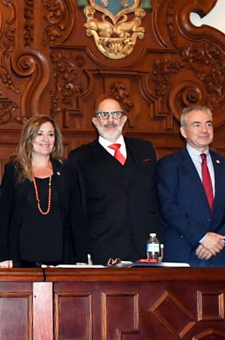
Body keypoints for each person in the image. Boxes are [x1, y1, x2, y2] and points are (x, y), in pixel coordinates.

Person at [68, 98, 162, 265]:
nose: (110, 120)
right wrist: (83, 253)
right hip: (103, 249)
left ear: (124, 119)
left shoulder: (145, 150)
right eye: (104, 115)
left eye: (115, 114)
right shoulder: (79, 158)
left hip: (146, 249)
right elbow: (78, 210)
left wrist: (159, 243)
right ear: (95, 121)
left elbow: (156, 199)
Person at [156, 105, 225, 267]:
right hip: (184, 254)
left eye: (208, 124)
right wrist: (202, 237)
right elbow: (168, 207)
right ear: (183, 132)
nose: (204, 129)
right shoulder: (169, 165)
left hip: (220, 256)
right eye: (197, 125)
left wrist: (218, 241)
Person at [0, 115, 86, 268]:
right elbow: (4, 216)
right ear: (29, 138)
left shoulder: (68, 171)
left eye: (50, 134)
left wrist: (81, 256)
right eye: (40, 133)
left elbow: (77, 216)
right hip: (23, 257)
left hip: (62, 256)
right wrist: (4, 256)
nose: (46, 139)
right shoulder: (13, 171)